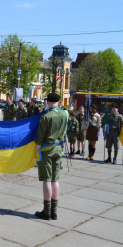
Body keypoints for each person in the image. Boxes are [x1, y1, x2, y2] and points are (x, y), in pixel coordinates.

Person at [35, 93, 68, 221]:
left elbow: (39, 139)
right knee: (55, 180)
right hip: (58, 149)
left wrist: (36, 154)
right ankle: (54, 212)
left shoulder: (46, 117)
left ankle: (46, 212)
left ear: (47, 101)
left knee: (47, 180)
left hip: (46, 150)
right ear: (59, 101)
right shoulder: (64, 114)